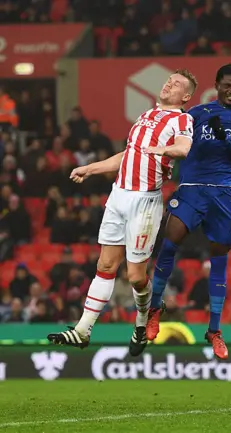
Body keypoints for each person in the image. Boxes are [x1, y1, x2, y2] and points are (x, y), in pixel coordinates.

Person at [47, 69, 198, 357]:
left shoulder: (182, 119)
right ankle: (82, 330)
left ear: (186, 96)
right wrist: (90, 168)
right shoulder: (145, 116)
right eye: (168, 80)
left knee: (135, 277)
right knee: (105, 267)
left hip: (144, 200)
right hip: (118, 195)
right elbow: (128, 155)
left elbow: (184, 148)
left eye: (176, 84)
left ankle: (142, 321)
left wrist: (161, 149)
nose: (168, 84)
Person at [147, 64, 231, 360]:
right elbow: (176, 142)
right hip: (192, 188)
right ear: (218, 85)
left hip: (223, 193)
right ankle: (155, 307)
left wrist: (226, 138)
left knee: (219, 259)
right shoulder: (195, 114)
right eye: (229, 85)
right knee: (170, 243)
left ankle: (214, 329)